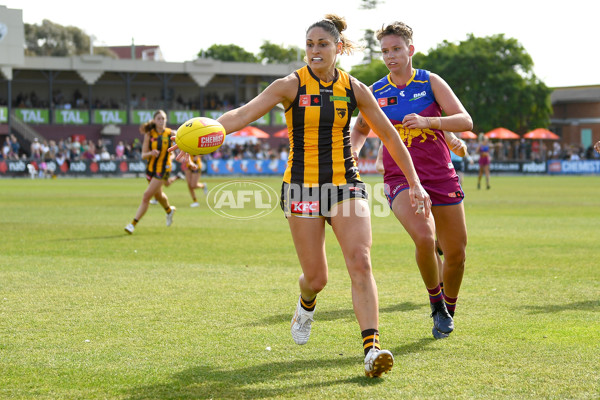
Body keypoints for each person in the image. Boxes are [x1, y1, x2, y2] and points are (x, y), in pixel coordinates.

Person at [171, 14, 431, 377]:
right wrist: (201, 135)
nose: (314, 51)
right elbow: (243, 115)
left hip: (346, 184)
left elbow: (389, 136)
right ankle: (305, 303)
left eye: (322, 44)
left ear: (338, 48)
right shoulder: (289, 85)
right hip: (301, 188)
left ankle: (371, 350)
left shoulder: (355, 89)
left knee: (361, 260)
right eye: (309, 45)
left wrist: (415, 182)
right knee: (317, 277)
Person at [351, 21, 473, 340]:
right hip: (400, 178)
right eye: (385, 51)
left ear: (410, 50)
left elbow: (465, 120)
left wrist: (428, 121)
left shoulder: (431, 82)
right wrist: (352, 153)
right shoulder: (375, 91)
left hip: (441, 175)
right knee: (423, 235)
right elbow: (362, 128)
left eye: (396, 49)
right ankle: (436, 305)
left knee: (456, 254)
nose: (390, 56)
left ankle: (448, 309)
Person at [124, 110, 176, 234]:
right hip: (151, 169)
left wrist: (172, 158)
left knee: (146, 196)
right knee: (158, 195)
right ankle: (169, 210)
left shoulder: (171, 133)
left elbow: (174, 152)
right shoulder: (149, 134)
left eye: (163, 118)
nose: (161, 121)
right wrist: (151, 153)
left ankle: (132, 224)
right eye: (159, 118)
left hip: (163, 169)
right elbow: (143, 155)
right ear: (154, 120)